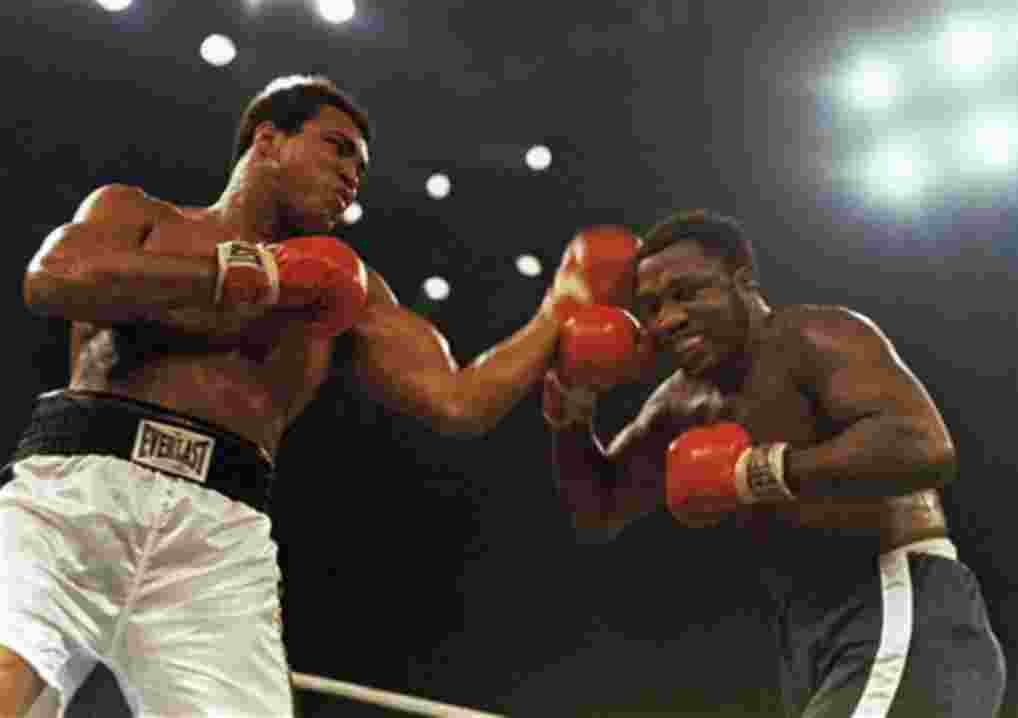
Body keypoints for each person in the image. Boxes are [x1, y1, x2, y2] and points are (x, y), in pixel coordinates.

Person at [0, 74, 642, 717]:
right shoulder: (139, 215)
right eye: (336, 149)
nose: (350, 176)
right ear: (268, 140)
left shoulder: (348, 292)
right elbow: (56, 278)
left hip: (218, 541)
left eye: (360, 168)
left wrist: (560, 307)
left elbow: (458, 400)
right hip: (74, 498)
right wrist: (252, 274)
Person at [542, 209, 1006, 717]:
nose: (667, 319)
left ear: (742, 283)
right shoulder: (678, 403)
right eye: (651, 306)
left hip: (896, 598)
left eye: (688, 293)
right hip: (803, 629)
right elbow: (599, 511)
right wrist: (573, 416)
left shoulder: (812, 336)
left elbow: (923, 445)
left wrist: (756, 473)